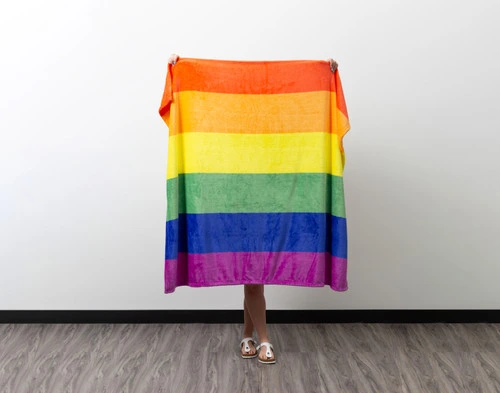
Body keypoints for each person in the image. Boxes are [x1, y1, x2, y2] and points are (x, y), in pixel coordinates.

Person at [166, 54, 338, 365]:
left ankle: (249, 336)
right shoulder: (233, 129)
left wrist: (323, 73)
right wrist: (180, 69)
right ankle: (263, 339)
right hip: (236, 202)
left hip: (268, 201)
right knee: (253, 275)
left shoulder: (274, 128)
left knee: (252, 274)